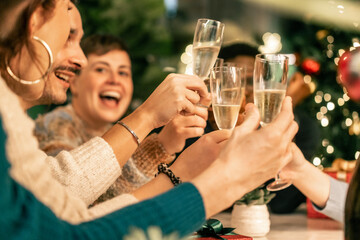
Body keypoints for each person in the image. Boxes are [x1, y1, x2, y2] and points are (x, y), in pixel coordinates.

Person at [0, 0, 214, 224]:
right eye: (66, 38)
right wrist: (149, 121)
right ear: (33, 22)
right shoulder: (56, 126)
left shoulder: (17, 125)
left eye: (124, 73)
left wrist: (162, 145)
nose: (80, 60)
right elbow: (67, 209)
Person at [34, 33, 207, 204]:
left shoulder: (114, 131)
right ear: (75, 82)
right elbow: (85, 204)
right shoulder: (55, 126)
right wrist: (160, 146)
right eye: (101, 69)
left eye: (123, 73)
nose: (115, 80)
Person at [216, 42, 321, 214]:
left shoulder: (304, 128)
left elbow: (282, 202)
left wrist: (280, 119)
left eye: (251, 81)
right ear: (217, 84)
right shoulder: (199, 126)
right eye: (233, 81)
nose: (243, 91)